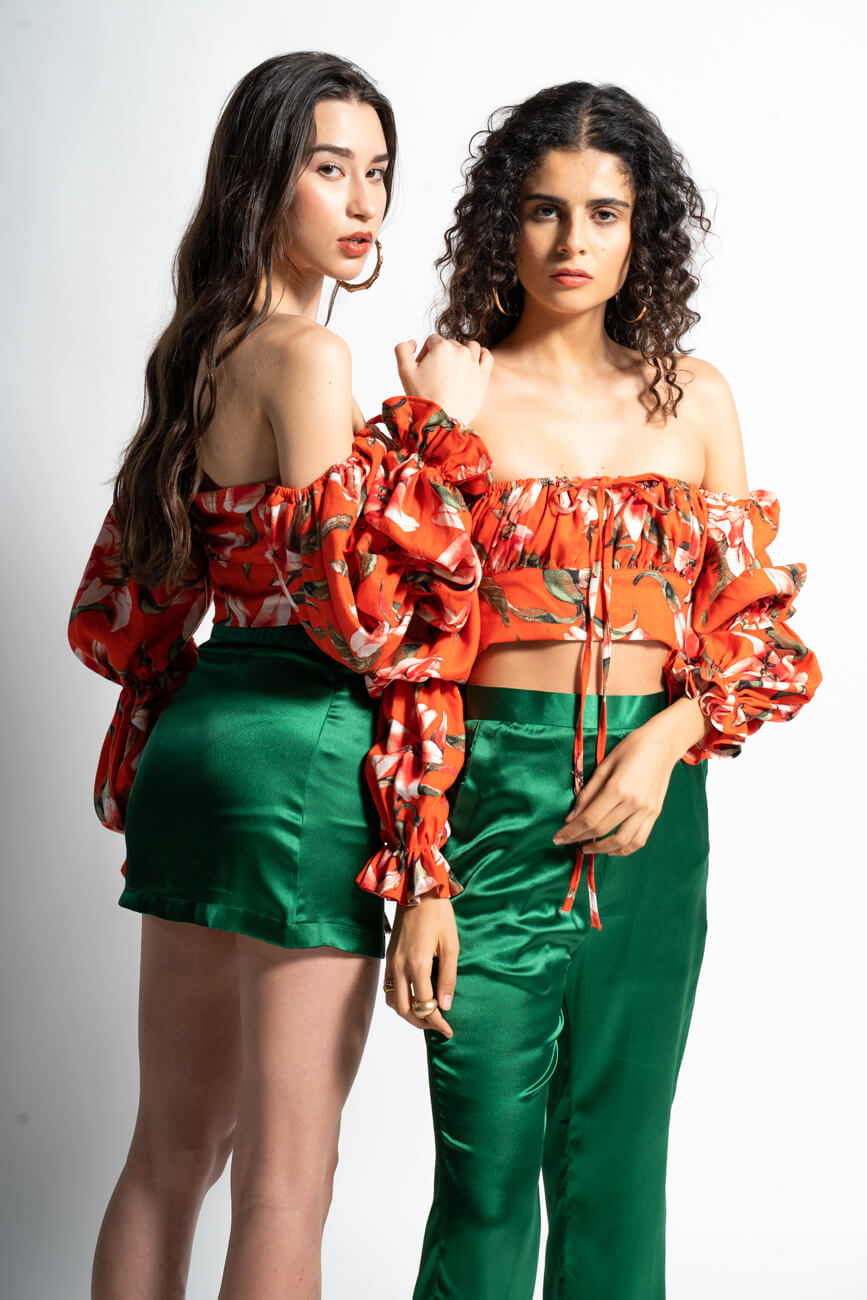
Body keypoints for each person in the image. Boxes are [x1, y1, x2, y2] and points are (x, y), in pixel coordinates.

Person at [371, 82, 822, 1299]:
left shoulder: (694, 397)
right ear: (501, 223)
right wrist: (422, 878)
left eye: (605, 213)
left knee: (617, 1171)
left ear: (643, 230)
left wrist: (669, 736)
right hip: (489, 808)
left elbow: (755, 632)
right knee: (482, 1182)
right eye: (544, 210)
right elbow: (402, 652)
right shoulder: (451, 394)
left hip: (653, 822)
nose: (573, 241)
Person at [68, 52, 491, 1300]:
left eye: (379, 173)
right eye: (329, 169)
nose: (364, 203)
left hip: (199, 744)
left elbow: (156, 590)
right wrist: (437, 426)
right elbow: (356, 614)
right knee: (285, 1182)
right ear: (264, 180)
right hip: (299, 759)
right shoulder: (308, 358)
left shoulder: (197, 348)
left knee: (168, 1153)